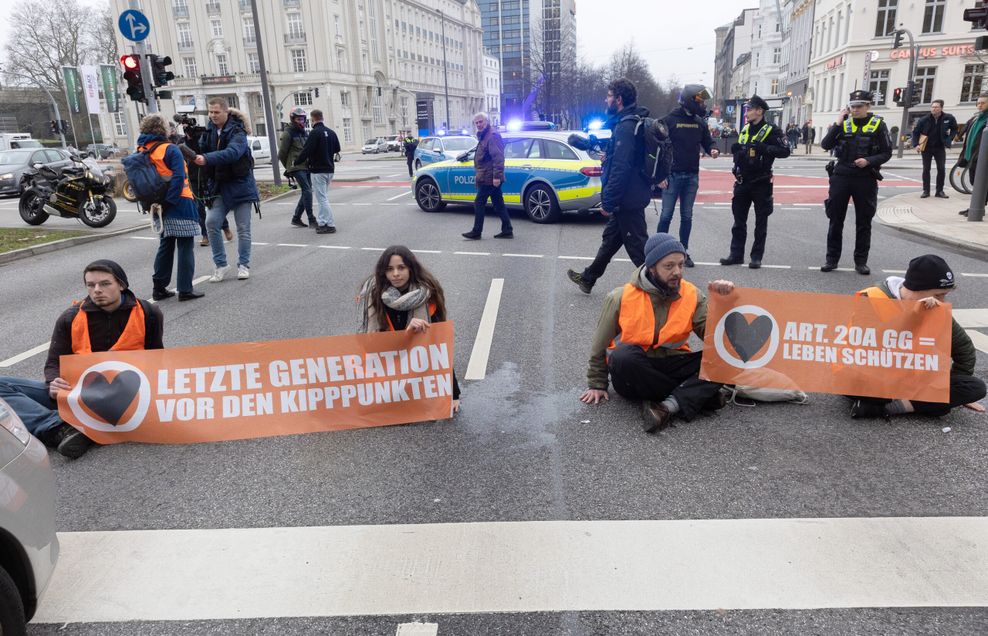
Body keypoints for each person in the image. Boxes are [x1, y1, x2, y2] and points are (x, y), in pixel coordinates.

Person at [0, 261, 164, 459]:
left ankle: (74, 426)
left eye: (105, 284)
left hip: (130, 398)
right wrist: (53, 382)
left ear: (121, 285)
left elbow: (157, 358)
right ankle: (59, 429)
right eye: (90, 285)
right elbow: (54, 363)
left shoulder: (148, 313)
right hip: (79, 398)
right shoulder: (70, 318)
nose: (97, 290)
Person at [579, 233, 734, 433]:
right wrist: (597, 383)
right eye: (669, 266)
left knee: (724, 358)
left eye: (680, 264)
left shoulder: (692, 295)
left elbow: (715, 338)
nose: (677, 272)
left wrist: (723, 304)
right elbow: (600, 343)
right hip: (633, 373)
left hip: (672, 364)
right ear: (652, 267)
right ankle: (694, 396)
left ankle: (667, 407)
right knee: (622, 356)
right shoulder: (621, 296)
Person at [850, 255, 986, 419]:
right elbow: (868, 344)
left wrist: (948, 390)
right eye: (938, 295)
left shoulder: (935, 307)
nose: (942, 301)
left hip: (907, 380)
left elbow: (964, 349)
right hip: (868, 376)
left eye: (945, 295)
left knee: (974, 387)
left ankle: (886, 408)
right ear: (916, 289)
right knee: (866, 388)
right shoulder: (871, 298)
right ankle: (921, 404)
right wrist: (913, 316)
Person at [567, 77, 651, 294]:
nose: (606, 100)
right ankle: (588, 277)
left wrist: (609, 201)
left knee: (639, 250)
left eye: (609, 96)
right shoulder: (630, 123)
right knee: (611, 240)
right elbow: (622, 160)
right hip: (630, 195)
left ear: (619, 99)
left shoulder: (626, 126)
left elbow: (621, 168)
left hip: (627, 200)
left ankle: (662, 290)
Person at [356, 246, 461, 413]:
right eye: (390, 269)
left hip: (416, 362)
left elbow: (438, 347)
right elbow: (371, 346)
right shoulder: (373, 294)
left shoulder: (426, 295)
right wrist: (406, 334)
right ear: (383, 272)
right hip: (387, 360)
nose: (396, 274)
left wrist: (453, 393)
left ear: (411, 269)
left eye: (401, 267)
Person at [819, 90, 892, 275]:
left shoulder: (879, 125)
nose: (855, 110)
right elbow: (826, 144)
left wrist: (869, 161)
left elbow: (886, 153)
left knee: (863, 221)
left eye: (859, 106)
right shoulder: (843, 124)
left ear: (868, 106)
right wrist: (837, 122)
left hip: (865, 178)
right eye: (852, 106)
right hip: (842, 175)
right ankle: (831, 259)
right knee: (835, 219)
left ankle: (861, 261)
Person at [138, 115, 204, 302]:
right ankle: (185, 289)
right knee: (185, 245)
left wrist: (161, 204)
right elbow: (177, 178)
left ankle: (159, 288)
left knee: (165, 245)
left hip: (156, 204)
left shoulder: (143, 149)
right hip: (179, 202)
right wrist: (170, 202)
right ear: (163, 129)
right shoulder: (171, 149)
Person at [720, 95, 790, 269]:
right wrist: (737, 153)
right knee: (738, 221)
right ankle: (736, 254)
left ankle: (756, 257)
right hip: (743, 181)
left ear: (760, 111)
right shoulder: (745, 129)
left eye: (750, 109)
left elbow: (785, 150)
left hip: (761, 181)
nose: (747, 112)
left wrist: (764, 148)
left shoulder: (772, 130)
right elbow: (743, 151)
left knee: (761, 221)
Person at [194, 97, 259, 282]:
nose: (213, 115)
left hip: (240, 186)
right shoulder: (208, 131)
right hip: (219, 186)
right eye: (210, 112)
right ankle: (221, 264)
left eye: (216, 112)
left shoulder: (238, 131)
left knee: (243, 228)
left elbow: (233, 153)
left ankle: (244, 265)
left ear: (226, 112)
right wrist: (192, 142)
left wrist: (207, 158)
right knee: (211, 223)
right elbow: (200, 152)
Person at [657, 84, 719, 267]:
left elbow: (708, 141)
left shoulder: (699, 122)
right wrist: (660, 176)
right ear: (689, 100)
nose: (703, 105)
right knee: (666, 215)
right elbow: (657, 148)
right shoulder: (669, 120)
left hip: (692, 176)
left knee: (687, 216)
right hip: (672, 176)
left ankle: (683, 252)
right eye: (700, 101)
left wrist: (713, 148)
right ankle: (659, 251)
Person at [177, 118, 230, 247]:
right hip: (193, 177)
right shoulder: (182, 141)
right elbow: (183, 155)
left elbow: (201, 151)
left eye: (188, 127)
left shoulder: (202, 136)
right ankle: (205, 235)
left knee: (214, 204)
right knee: (199, 207)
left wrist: (194, 137)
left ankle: (225, 227)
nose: (187, 130)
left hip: (207, 174)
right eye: (184, 128)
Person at [462, 111, 513, 240]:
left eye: (481, 122)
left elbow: (498, 158)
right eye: (476, 122)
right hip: (487, 176)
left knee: (479, 202)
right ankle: (507, 229)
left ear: (487, 122)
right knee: (498, 203)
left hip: (489, 177)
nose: (479, 124)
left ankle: (476, 232)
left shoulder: (492, 136)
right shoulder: (484, 136)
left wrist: (496, 177)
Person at [294, 109, 341, 234]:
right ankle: (322, 222)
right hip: (330, 169)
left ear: (312, 119)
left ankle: (330, 224)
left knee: (322, 199)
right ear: (322, 117)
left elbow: (306, 150)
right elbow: (337, 148)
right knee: (323, 197)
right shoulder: (331, 132)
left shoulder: (315, 133)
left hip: (318, 170)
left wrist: (296, 162)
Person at [910, 99, 958, 199]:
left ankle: (939, 191)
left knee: (941, 169)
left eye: (936, 107)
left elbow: (955, 129)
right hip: (926, 147)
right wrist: (916, 145)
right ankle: (926, 191)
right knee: (926, 169)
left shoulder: (949, 118)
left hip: (940, 147)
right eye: (932, 107)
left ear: (941, 108)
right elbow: (915, 133)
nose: (934, 109)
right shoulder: (924, 119)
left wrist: (949, 139)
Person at [279, 107, 316, 228]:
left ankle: (296, 218)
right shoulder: (288, 133)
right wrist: (289, 168)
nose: (301, 121)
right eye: (298, 119)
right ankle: (311, 219)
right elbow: (282, 153)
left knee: (307, 191)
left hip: (306, 165)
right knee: (307, 191)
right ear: (293, 119)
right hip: (296, 166)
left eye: (302, 119)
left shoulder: (304, 132)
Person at [957, 92, 988, 217]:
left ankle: (976, 208)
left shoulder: (986, 120)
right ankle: (976, 206)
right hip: (972, 157)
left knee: (981, 184)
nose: (979, 106)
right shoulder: (976, 118)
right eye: (978, 103)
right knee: (974, 182)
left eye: (983, 103)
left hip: (983, 158)